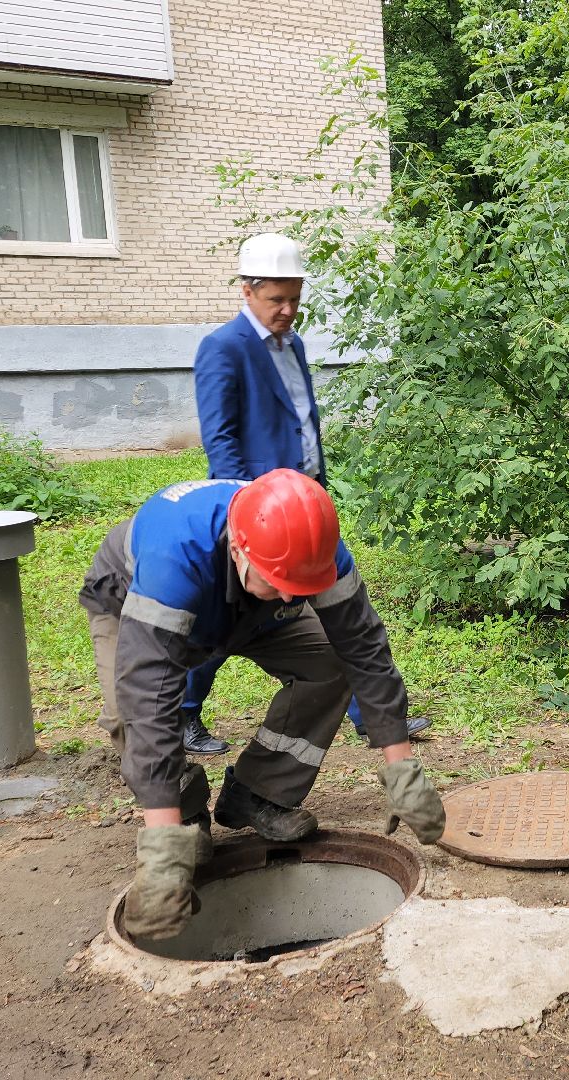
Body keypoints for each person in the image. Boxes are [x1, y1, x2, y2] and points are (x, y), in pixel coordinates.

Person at [79, 468, 446, 940]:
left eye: (303, 584)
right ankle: (188, 816)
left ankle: (258, 793)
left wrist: (403, 770)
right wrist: (165, 849)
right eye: (282, 582)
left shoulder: (310, 553)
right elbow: (147, 697)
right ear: (238, 551)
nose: (295, 595)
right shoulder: (178, 558)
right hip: (133, 599)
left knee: (330, 662)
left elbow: (363, 648)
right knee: (129, 720)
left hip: (254, 611)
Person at [183, 232, 428, 755]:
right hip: (261, 514)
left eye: (295, 297)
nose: (288, 310)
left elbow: (301, 419)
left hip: (308, 502)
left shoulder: (292, 344)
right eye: (276, 299)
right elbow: (220, 439)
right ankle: (182, 712)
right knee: (225, 623)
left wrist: (316, 484)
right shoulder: (223, 349)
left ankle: (374, 717)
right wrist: (245, 512)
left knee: (345, 608)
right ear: (247, 291)